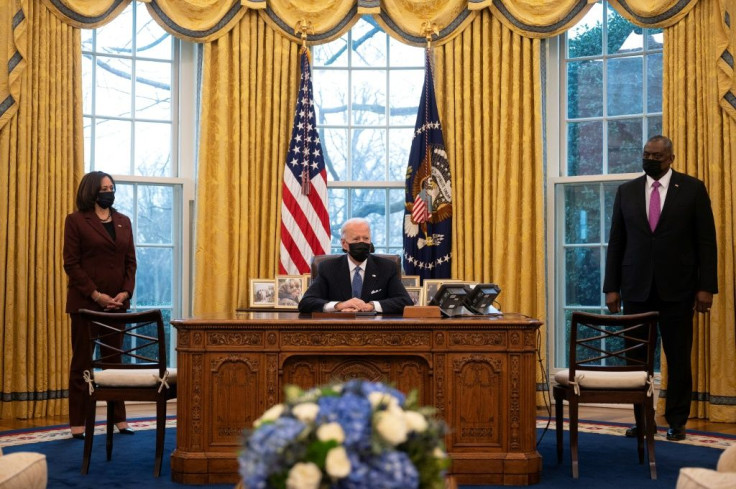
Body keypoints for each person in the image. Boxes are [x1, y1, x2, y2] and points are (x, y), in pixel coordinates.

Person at [603, 135, 718, 441]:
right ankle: (643, 422)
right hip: (636, 288)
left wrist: (706, 287)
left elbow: (706, 242)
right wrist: (611, 286)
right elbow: (617, 242)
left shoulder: (692, 189)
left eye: (656, 156)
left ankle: (677, 422)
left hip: (679, 289)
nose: (650, 160)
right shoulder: (626, 191)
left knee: (679, 357)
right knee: (636, 360)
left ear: (671, 158)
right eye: (646, 155)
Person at [63, 171, 137, 439]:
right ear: (91, 191)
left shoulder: (123, 221)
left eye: (111, 187)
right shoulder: (75, 221)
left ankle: (120, 420)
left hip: (117, 306)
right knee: (82, 363)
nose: (109, 191)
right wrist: (96, 295)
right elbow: (71, 264)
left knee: (114, 363)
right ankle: (78, 423)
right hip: (85, 305)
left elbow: (131, 262)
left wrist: (125, 293)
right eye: (104, 187)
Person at [298, 218, 412, 314]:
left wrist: (372, 306)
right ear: (344, 244)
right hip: (338, 329)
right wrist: (339, 306)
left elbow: (405, 302)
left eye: (366, 238)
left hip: (375, 329)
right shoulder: (328, 268)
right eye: (356, 239)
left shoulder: (386, 267)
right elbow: (306, 303)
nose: (362, 243)